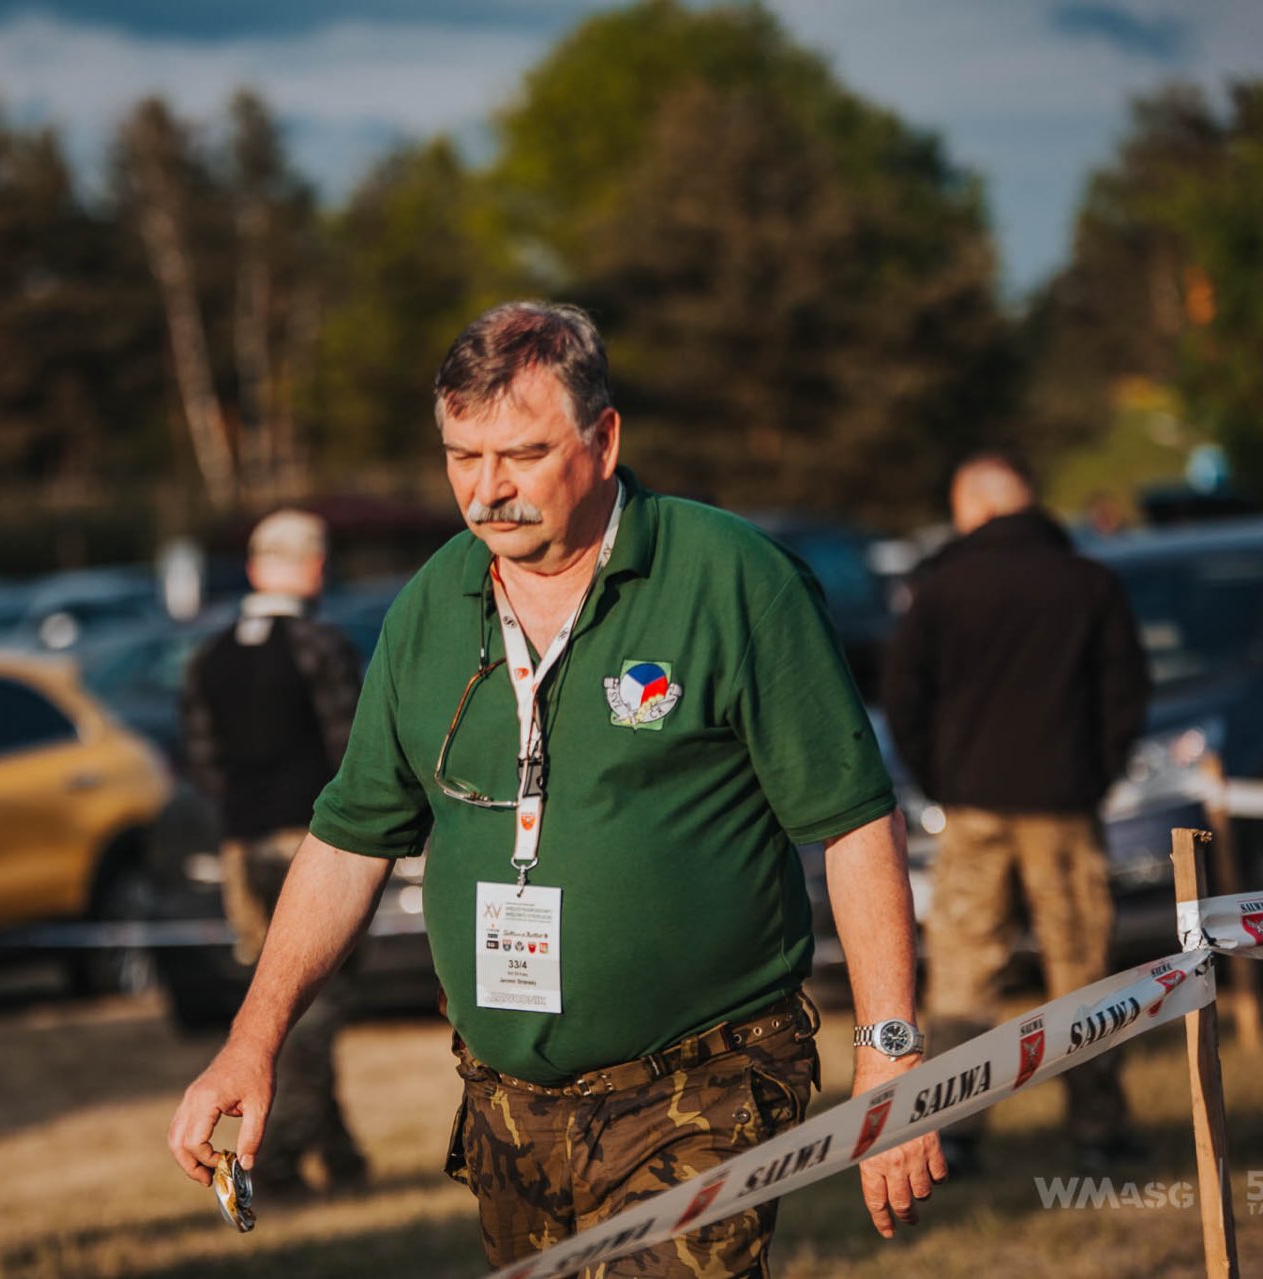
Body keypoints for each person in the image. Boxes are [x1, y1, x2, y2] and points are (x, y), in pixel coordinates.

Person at [170, 302, 943, 1273]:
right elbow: (348, 841)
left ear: (604, 439)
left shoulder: (733, 578)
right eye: (462, 458)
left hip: (703, 1080)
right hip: (508, 1104)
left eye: (523, 454)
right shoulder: (429, 606)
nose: (488, 489)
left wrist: (889, 1048)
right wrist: (252, 1039)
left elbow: (855, 820)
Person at [882, 452, 1152, 1174]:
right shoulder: (1087, 582)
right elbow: (1126, 693)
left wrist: (942, 780)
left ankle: (955, 1132)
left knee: (963, 972)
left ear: (975, 507)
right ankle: (1098, 1129)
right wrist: (1092, 775)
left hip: (973, 808)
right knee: (1083, 971)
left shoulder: (942, 590)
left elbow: (902, 698)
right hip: (1064, 807)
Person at [181, 508, 370, 1198]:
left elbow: (202, 756)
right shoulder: (322, 645)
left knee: (277, 997)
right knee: (314, 1003)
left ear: (255, 568)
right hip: (314, 845)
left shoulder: (209, 654)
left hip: (241, 845)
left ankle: (341, 1153)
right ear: (315, 567)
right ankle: (282, 1154)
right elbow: (357, 755)